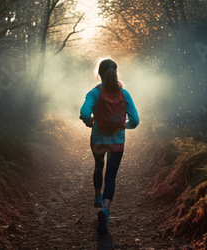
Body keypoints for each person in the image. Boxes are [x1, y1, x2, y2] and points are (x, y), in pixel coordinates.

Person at [79, 59, 140, 235]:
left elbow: (84, 113)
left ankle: (97, 196)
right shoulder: (124, 93)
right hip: (117, 142)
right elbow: (135, 121)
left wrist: (89, 121)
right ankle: (105, 209)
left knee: (99, 166)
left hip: (98, 140)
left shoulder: (94, 93)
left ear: (100, 73)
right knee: (111, 176)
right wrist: (122, 125)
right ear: (116, 72)